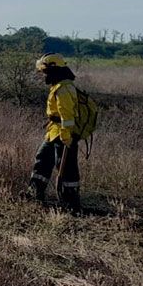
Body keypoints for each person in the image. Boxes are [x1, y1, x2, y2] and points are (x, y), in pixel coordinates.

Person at [26, 53, 81, 210]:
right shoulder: (58, 86)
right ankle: (34, 193)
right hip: (54, 132)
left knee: (66, 168)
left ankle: (70, 203)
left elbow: (67, 117)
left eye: (45, 71)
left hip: (64, 134)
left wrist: (66, 136)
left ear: (53, 70)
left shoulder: (64, 88)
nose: (43, 74)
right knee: (42, 158)